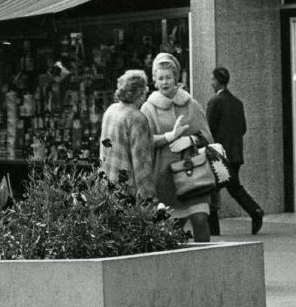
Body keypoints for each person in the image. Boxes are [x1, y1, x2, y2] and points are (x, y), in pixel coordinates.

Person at [142, 52, 216, 242]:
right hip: (165, 179)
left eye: (168, 77)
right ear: (154, 81)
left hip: (194, 176)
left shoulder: (191, 104)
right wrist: (168, 137)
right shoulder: (148, 109)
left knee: (200, 219)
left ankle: (205, 262)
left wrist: (191, 140)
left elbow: (207, 136)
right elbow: (144, 141)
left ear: (176, 77)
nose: (164, 82)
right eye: (160, 78)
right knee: (172, 228)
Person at [206, 67, 264, 236]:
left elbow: (208, 130)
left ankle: (214, 228)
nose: (211, 83)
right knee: (232, 187)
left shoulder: (214, 102)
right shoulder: (237, 103)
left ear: (216, 81)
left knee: (211, 188)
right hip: (235, 154)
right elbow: (243, 128)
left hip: (218, 155)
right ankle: (254, 211)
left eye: (212, 80)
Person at [101, 70, 156, 198]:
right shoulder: (137, 118)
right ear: (140, 93)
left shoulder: (110, 110)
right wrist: (149, 197)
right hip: (127, 191)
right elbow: (141, 163)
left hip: (107, 185)